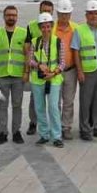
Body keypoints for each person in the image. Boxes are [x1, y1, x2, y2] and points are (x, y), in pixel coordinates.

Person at [0, 5, 29, 144]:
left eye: (14, 15)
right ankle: (3, 132)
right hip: (2, 75)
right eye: (8, 15)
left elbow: (28, 54)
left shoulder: (23, 33)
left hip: (18, 76)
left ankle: (16, 132)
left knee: (17, 105)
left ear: (17, 17)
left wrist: (26, 72)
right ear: (4, 17)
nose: (11, 17)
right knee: (2, 106)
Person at [72, 0, 97, 140]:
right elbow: (76, 51)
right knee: (85, 102)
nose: (94, 16)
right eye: (91, 13)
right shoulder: (79, 30)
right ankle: (85, 129)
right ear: (86, 15)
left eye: (96, 13)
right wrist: (80, 71)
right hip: (87, 72)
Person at [30, 12, 65, 147]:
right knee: (39, 107)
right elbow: (30, 60)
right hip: (38, 80)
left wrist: (54, 73)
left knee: (53, 107)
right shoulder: (35, 42)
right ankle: (44, 134)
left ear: (52, 26)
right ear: (40, 28)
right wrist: (39, 65)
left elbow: (62, 62)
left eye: (48, 26)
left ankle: (57, 136)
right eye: (43, 27)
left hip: (54, 79)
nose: (46, 29)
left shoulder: (58, 41)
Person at [51, 0, 79, 139]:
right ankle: (56, 127)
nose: (64, 17)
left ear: (71, 14)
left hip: (70, 71)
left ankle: (66, 127)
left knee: (68, 101)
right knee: (55, 101)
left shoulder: (76, 28)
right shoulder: (52, 29)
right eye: (62, 14)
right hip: (55, 71)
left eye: (67, 14)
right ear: (57, 13)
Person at [26, 0, 54, 136]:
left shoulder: (55, 25)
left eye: (49, 11)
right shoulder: (31, 26)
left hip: (53, 72)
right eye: (44, 10)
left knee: (54, 101)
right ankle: (33, 122)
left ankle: (54, 126)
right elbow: (27, 49)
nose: (46, 13)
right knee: (35, 99)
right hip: (37, 70)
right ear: (39, 10)